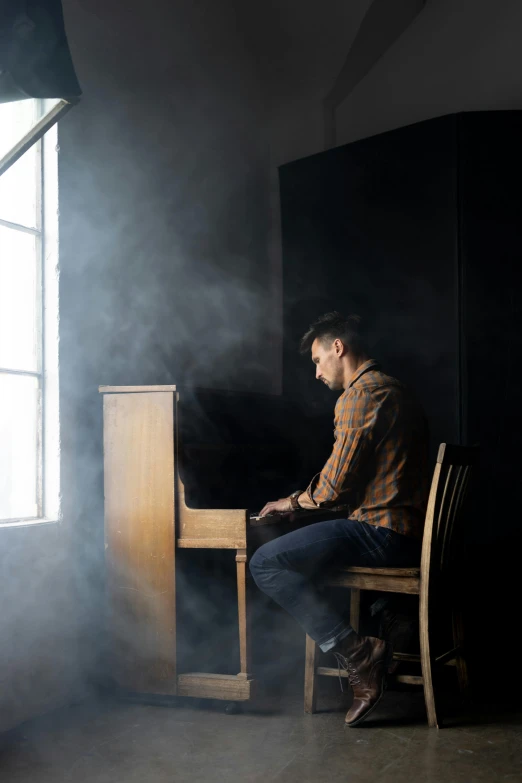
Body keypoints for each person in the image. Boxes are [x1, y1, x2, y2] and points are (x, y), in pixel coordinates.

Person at [250, 312, 429, 727]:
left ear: (338, 348)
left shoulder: (359, 396)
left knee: (266, 562)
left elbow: (334, 489)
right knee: (306, 549)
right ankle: (389, 619)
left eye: (317, 360)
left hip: (384, 535)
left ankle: (359, 652)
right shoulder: (399, 391)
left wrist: (291, 502)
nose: (315, 372)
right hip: (410, 533)